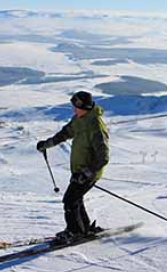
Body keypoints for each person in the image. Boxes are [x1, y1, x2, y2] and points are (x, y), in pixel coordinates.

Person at [36, 91, 110, 244]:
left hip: (89, 172)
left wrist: (86, 173)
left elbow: (103, 157)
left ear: (85, 107)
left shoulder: (96, 126)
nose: (73, 110)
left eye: (76, 107)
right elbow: (64, 133)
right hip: (79, 170)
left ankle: (75, 231)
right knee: (76, 198)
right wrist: (46, 144)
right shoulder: (79, 119)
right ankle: (84, 228)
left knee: (69, 200)